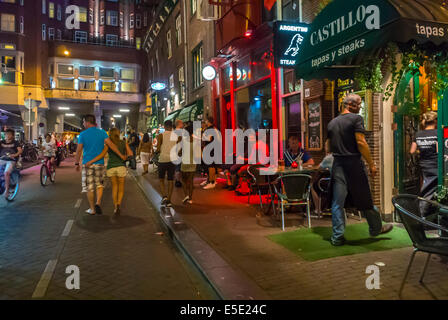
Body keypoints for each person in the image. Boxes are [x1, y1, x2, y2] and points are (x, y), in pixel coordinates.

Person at [327, 93, 393, 246]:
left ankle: (337, 237)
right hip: (353, 164)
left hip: (337, 164)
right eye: (359, 104)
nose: (361, 107)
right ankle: (376, 229)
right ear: (351, 105)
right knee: (366, 200)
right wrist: (371, 164)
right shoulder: (356, 119)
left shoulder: (332, 122)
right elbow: (361, 142)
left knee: (337, 203)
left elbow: (328, 145)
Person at [74, 115, 127, 215]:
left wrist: (77, 163)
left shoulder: (83, 134)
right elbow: (111, 145)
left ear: (87, 122)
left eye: (84, 122)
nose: (83, 124)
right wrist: (121, 155)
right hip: (100, 164)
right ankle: (98, 202)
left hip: (88, 164)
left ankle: (92, 209)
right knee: (99, 185)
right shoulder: (102, 133)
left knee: (89, 187)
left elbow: (79, 150)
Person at [86, 128, 133, 215]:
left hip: (111, 168)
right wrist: (124, 156)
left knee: (114, 187)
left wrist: (91, 161)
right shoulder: (123, 142)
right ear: (118, 134)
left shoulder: (108, 145)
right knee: (121, 188)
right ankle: (119, 204)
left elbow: (101, 155)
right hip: (121, 167)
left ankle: (115, 207)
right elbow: (131, 153)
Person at [410, 111, 438, 215]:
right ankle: (422, 214)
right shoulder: (437, 133)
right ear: (435, 121)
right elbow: (439, 150)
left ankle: (423, 212)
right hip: (435, 165)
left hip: (424, 165)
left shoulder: (418, 134)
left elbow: (412, 151)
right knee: (431, 190)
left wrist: (421, 150)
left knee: (427, 187)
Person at [156, 120, 178, 207]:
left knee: (161, 179)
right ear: (171, 126)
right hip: (172, 160)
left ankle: (164, 196)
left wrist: (156, 152)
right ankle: (169, 200)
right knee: (170, 180)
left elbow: (158, 148)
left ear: (165, 126)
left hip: (163, 159)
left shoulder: (161, 135)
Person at [0, 128, 22, 199]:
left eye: (9, 134)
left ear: (12, 135)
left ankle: (7, 190)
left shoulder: (15, 142)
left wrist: (14, 155)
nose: (7, 135)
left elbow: (20, 151)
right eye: (6, 134)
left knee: (6, 173)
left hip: (11, 160)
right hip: (2, 159)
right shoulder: (2, 142)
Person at [180, 123, 197, 204]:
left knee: (183, 180)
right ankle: (190, 199)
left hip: (185, 161)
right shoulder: (196, 140)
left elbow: (179, 152)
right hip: (193, 162)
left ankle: (186, 195)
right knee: (191, 181)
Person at [202, 116, 220, 190]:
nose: (205, 122)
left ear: (208, 121)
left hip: (210, 148)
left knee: (210, 166)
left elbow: (209, 139)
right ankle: (212, 181)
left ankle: (211, 182)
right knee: (212, 165)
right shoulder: (215, 128)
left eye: (206, 121)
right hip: (214, 148)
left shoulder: (209, 129)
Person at [174, 119, 184, 188]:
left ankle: (177, 180)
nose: (183, 124)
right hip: (179, 152)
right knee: (178, 168)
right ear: (179, 124)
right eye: (182, 123)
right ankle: (178, 181)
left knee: (177, 167)